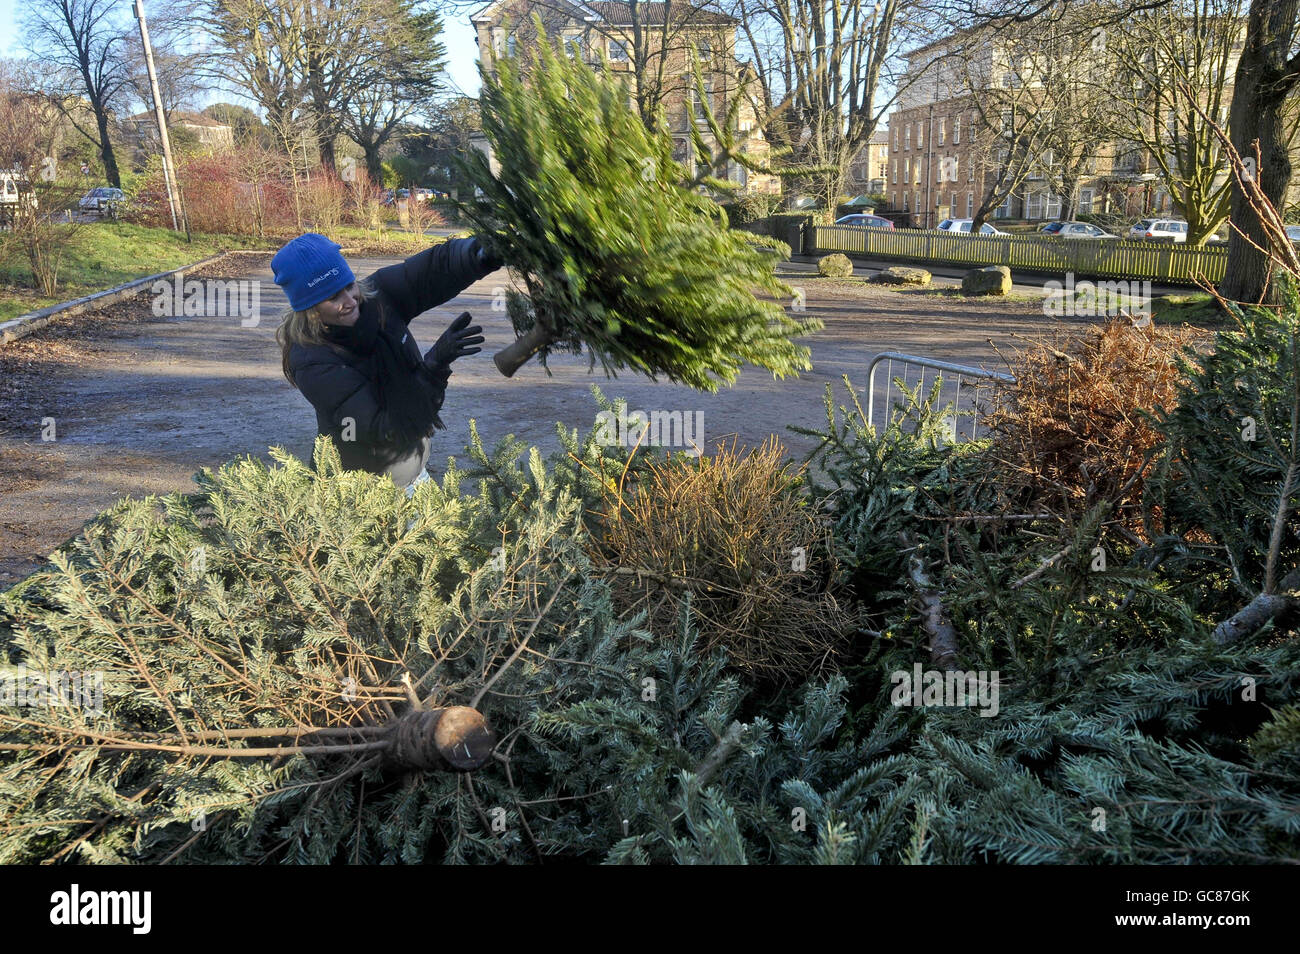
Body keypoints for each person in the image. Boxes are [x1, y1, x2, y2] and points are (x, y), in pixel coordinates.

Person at [272, 232, 500, 494]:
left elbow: (432, 271)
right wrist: (434, 367)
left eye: (349, 286)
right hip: (359, 495)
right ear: (309, 308)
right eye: (333, 297)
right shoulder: (312, 361)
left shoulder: (378, 299)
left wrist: (480, 254)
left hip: (414, 476)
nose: (350, 302)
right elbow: (385, 429)